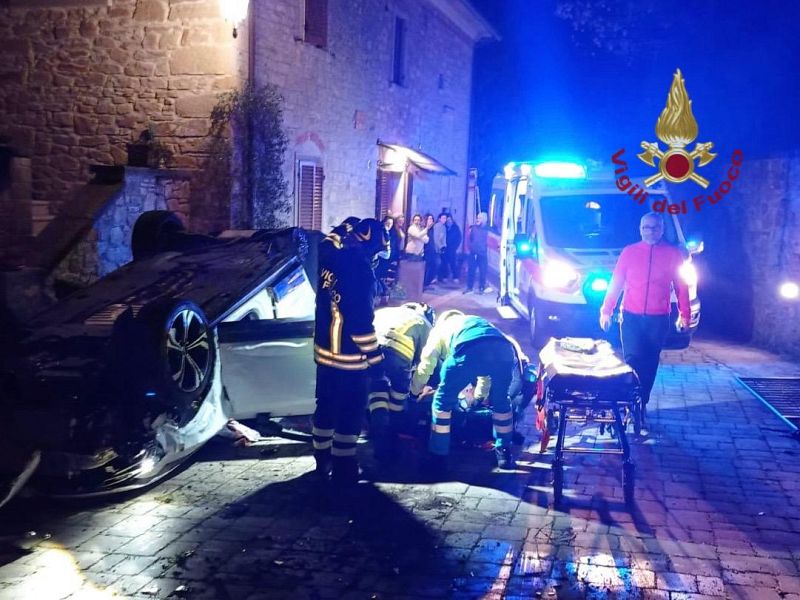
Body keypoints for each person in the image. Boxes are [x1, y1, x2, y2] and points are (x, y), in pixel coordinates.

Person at [312, 217, 388, 484]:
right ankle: (344, 468)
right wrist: (377, 361)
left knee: (325, 407)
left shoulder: (330, 257)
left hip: (324, 354)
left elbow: (326, 240)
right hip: (350, 360)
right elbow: (361, 325)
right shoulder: (362, 272)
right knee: (349, 413)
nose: (376, 259)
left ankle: (321, 461)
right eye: (377, 252)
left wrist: (346, 227)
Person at [599, 211, 690, 426]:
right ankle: (628, 402)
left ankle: (641, 402)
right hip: (631, 316)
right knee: (632, 359)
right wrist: (606, 310)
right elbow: (616, 282)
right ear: (640, 230)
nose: (650, 231)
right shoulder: (629, 252)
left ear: (662, 229)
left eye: (655, 227)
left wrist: (684, 314)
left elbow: (681, 286)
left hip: (658, 318)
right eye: (646, 227)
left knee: (650, 362)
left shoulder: (672, 254)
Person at [411, 311, 517, 477]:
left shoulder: (440, 329)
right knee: (501, 401)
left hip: (468, 350)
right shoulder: (476, 321)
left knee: (442, 403)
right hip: (505, 351)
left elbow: (427, 363)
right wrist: (478, 399)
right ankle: (504, 453)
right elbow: (485, 373)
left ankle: (438, 456)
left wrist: (414, 391)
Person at [368, 302, 436, 464]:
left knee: (377, 397)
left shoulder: (385, 311)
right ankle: (393, 445)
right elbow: (426, 360)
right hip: (397, 355)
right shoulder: (423, 323)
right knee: (397, 401)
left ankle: (379, 446)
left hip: (370, 352)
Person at [464, 212, 490, 294]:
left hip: (482, 254)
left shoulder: (488, 229)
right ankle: (469, 288)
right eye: (477, 218)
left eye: (480, 218)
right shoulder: (473, 228)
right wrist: (470, 248)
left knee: (483, 271)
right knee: (471, 270)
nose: (477, 219)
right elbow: (468, 239)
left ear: (484, 219)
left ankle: (481, 287)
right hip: (473, 253)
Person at [375, 215, 394, 305]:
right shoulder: (381, 233)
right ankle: (383, 296)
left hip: (384, 260)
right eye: (388, 223)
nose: (389, 225)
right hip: (381, 260)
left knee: (380, 278)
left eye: (391, 223)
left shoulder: (388, 232)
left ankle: (384, 296)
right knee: (379, 278)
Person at [444, 214, 462, 283]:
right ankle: (445, 276)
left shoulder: (455, 228)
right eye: (447, 220)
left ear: (452, 220)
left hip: (452, 248)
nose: (449, 221)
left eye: (450, 219)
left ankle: (455, 277)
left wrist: (456, 246)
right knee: (445, 263)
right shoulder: (444, 227)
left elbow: (459, 238)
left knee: (453, 263)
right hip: (445, 248)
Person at [423, 213, 438, 287]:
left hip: (432, 251)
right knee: (427, 267)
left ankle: (428, 282)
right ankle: (424, 283)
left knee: (433, 266)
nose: (431, 220)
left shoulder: (433, 229)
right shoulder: (424, 229)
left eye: (432, 219)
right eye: (429, 219)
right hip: (426, 251)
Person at [433, 213, 448, 282]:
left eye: (445, 218)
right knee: (437, 263)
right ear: (439, 219)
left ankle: (439, 277)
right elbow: (436, 238)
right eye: (443, 218)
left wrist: (444, 246)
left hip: (442, 248)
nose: (445, 220)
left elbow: (443, 238)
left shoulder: (444, 227)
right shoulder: (437, 226)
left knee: (441, 263)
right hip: (437, 248)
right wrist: (440, 246)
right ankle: (434, 277)